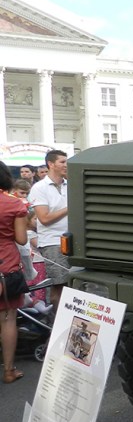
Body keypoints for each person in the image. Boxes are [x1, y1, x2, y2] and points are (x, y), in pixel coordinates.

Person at [27, 150, 69, 310]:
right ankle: (56, 325)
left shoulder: (69, 184)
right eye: (62, 162)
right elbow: (44, 218)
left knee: (72, 285)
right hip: (53, 242)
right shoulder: (39, 187)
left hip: (73, 240)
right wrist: (69, 208)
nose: (66, 165)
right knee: (59, 286)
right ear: (51, 164)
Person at [0, 161, 30, 384]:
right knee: (8, 319)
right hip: (6, 265)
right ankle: (9, 370)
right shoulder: (14, 204)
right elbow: (21, 239)